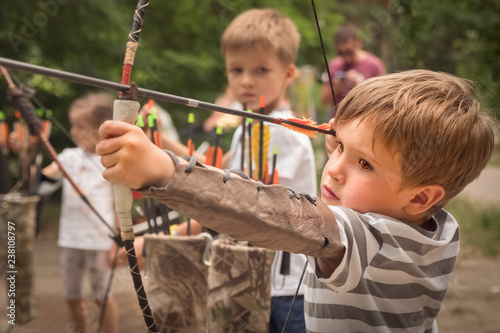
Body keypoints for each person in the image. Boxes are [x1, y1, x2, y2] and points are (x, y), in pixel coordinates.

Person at [97, 69, 495, 332]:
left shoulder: (373, 237)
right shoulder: (438, 227)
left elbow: (277, 215)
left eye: (364, 164)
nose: (335, 168)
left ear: (422, 195)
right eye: (336, 146)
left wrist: (163, 171)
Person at [142, 9, 315, 332]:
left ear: (288, 73)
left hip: (289, 286)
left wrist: (173, 237)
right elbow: (224, 175)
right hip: (257, 274)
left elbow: (240, 201)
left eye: (261, 69)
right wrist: (162, 150)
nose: (246, 80)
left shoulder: (284, 132)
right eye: (236, 70)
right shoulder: (246, 126)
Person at [42, 92, 119, 333]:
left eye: (80, 126)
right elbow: (43, 185)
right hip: (71, 239)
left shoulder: (111, 161)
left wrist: (117, 241)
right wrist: (40, 150)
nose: (73, 131)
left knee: (102, 297)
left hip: (99, 242)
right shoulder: (68, 157)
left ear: (100, 130)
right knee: (71, 295)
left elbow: (119, 205)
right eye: (72, 124)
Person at [321, 22, 386, 117]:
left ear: (358, 42)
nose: (345, 56)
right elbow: (324, 101)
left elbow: (384, 99)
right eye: (341, 52)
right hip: (339, 122)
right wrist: (338, 86)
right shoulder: (334, 65)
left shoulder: (374, 64)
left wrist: (360, 86)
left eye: (349, 51)